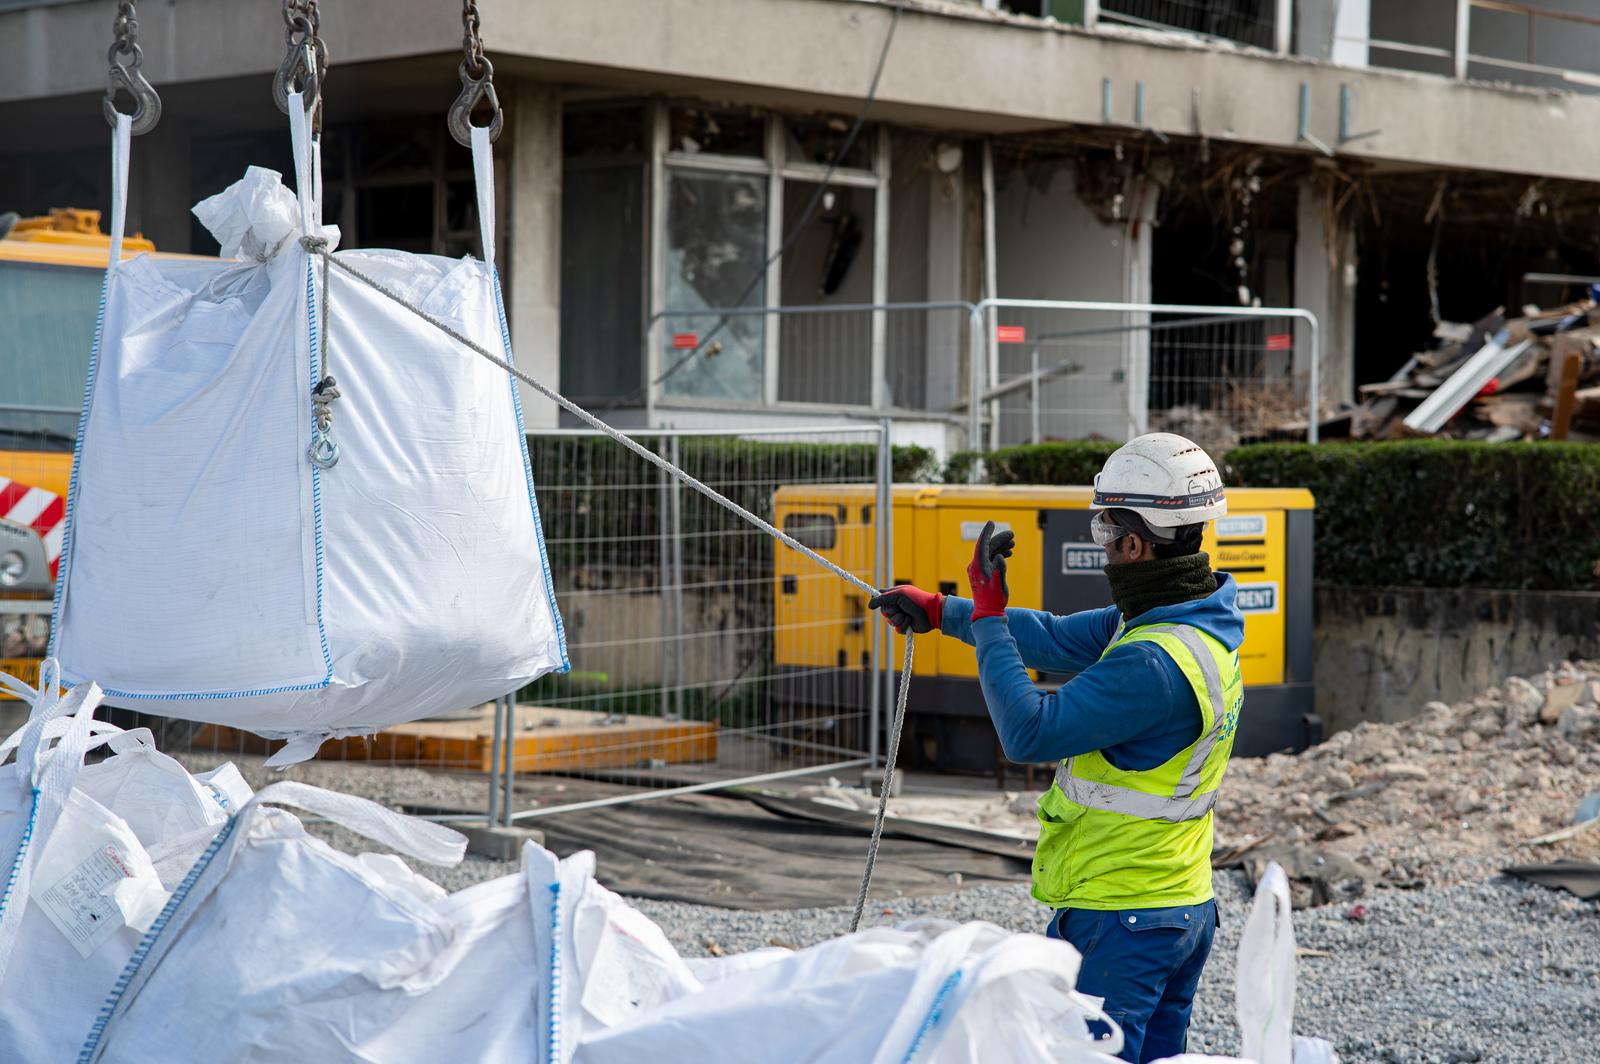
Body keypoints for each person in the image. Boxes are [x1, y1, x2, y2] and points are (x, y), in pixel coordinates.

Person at [867, 432, 1244, 1063]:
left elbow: (1028, 732)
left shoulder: (1151, 664)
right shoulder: (1190, 621)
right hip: (1176, 905)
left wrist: (988, 618)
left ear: (1134, 543)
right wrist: (941, 611)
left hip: (1122, 914)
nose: (1103, 549)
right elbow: (1052, 637)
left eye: (1104, 532)